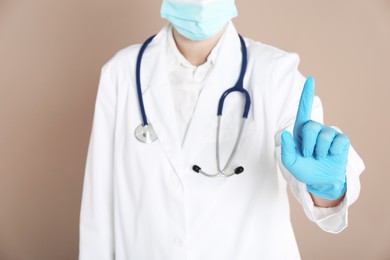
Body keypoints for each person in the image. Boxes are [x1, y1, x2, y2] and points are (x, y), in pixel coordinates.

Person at [79, 0, 365, 259]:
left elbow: (317, 183)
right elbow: (98, 210)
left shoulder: (275, 73)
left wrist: (327, 187)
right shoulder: (121, 73)